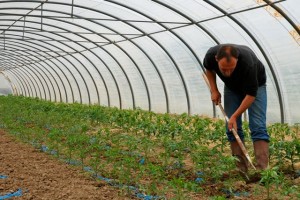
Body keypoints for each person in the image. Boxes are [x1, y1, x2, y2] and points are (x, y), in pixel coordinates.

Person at [203, 44, 270, 175]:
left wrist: (234, 116)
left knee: (258, 126)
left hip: (256, 87)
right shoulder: (210, 55)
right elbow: (209, 70)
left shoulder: (248, 63)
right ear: (216, 59)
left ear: (237, 60)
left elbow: (251, 95)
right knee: (232, 128)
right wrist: (214, 90)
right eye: (223, 69)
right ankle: (241, 170)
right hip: (232, 88)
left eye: (231, 69)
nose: (227, 73)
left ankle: (263, 172)